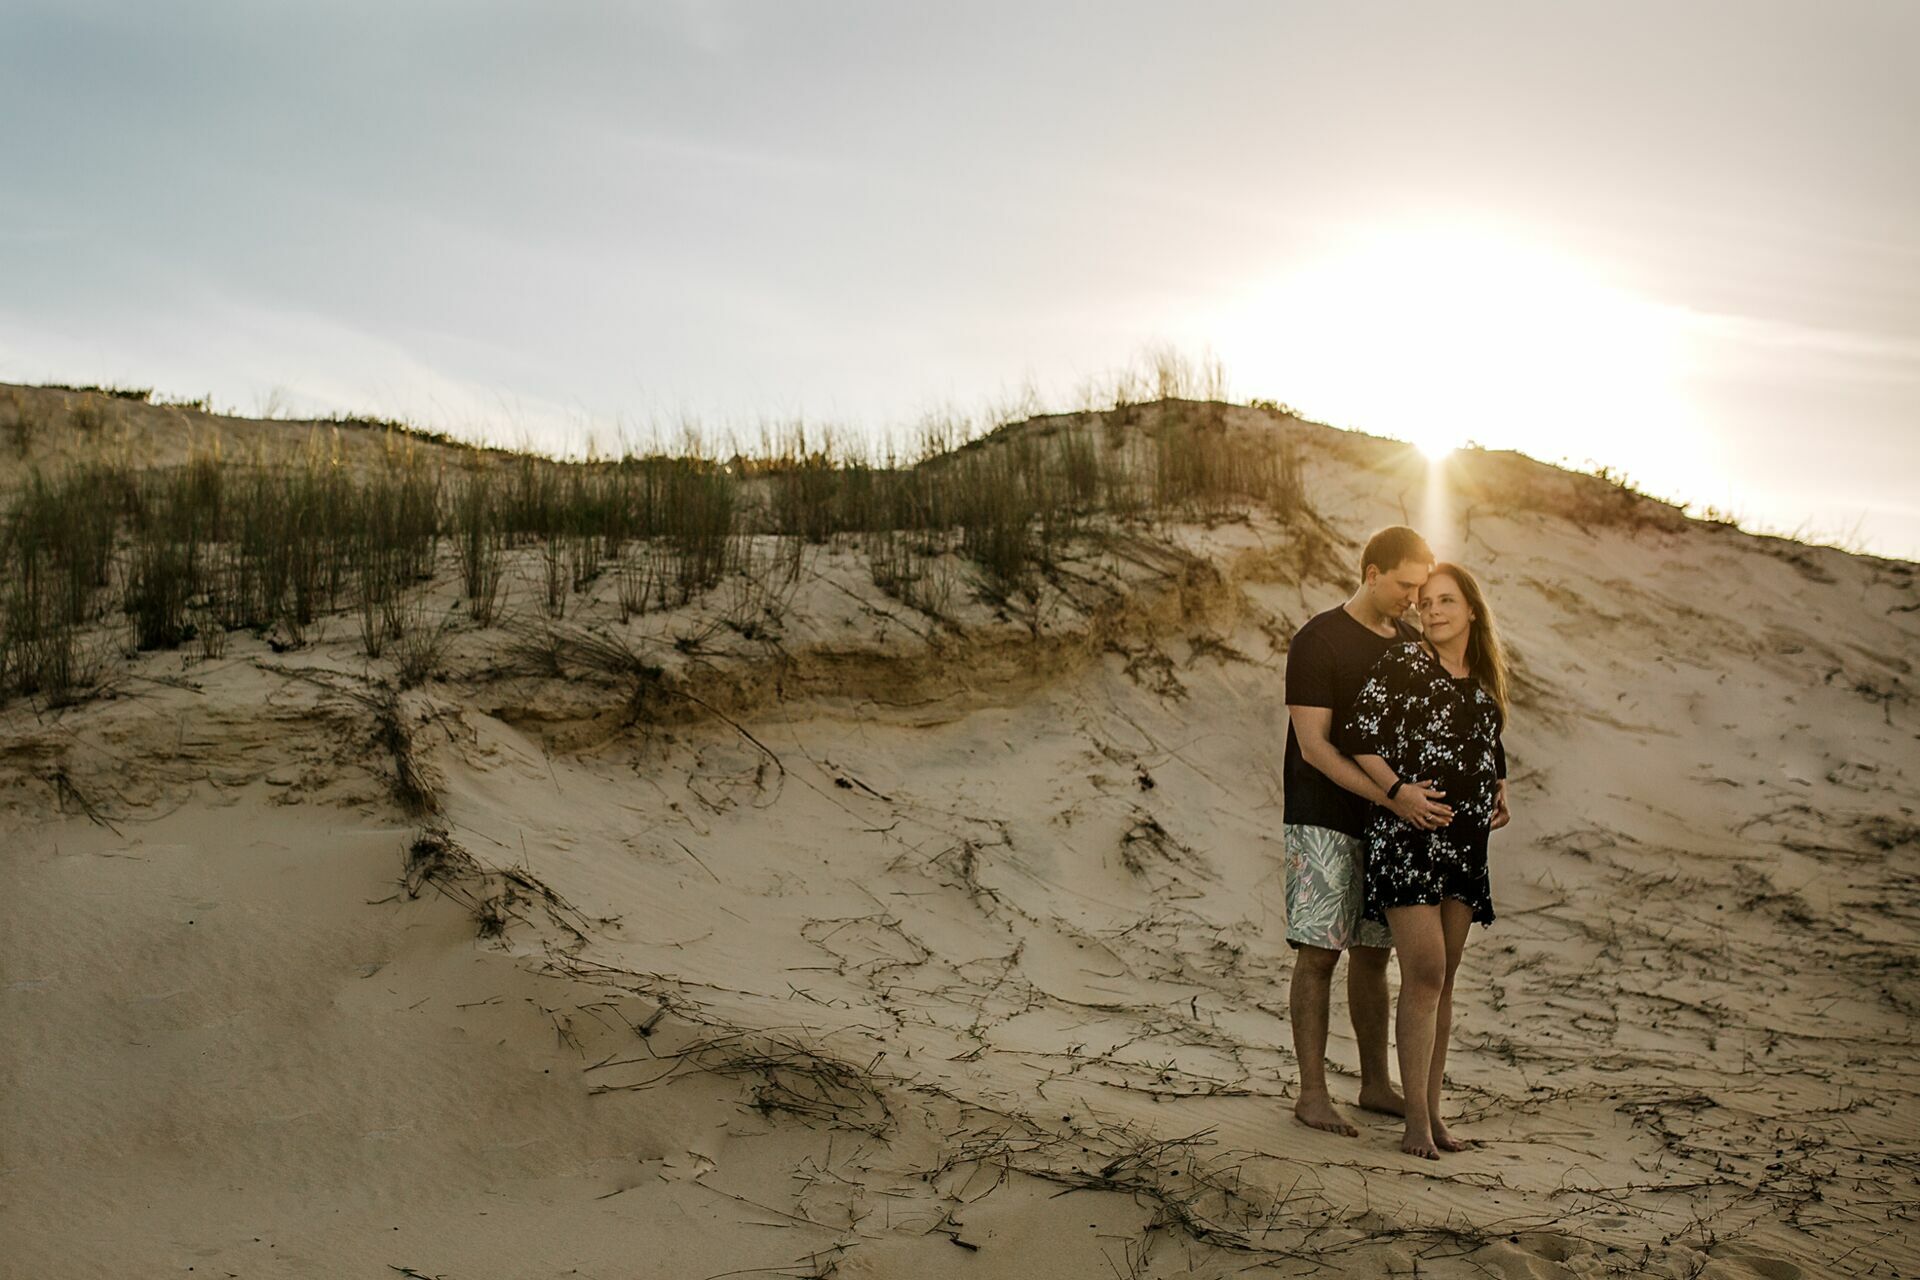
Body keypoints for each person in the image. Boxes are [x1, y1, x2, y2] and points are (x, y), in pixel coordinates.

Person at [1282, 526, 1454, 1136]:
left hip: (1391, 828)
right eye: (1406, 584)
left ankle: (1376, 1084)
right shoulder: (1319, 639)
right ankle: (1311, 1093)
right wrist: (1392, 794)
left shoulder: (1410, 645)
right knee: (1319, 954)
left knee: (1375, 957)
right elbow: (1315, 748)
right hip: (1323, 817)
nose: (1415, 597)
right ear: (1373, 572)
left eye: (1421, 586)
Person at [1341, 562, 1511, 1159]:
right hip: (1408, 834)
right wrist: (1398, 794)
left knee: (1445, 980)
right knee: (1426, 973)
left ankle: (1435, 1116)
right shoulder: (1407, 662)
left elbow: (1489, 743)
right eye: (1426, 603)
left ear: (1470, 610)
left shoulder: (1485, 680)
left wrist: (1500, 787)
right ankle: (1415, 1121)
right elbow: (1357, 733)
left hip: (1465, 844)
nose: (1433, 611)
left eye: (1446, 601)